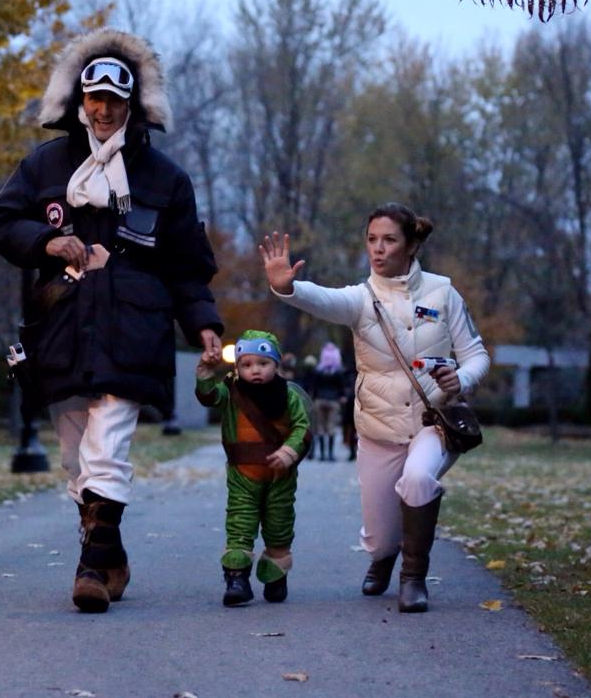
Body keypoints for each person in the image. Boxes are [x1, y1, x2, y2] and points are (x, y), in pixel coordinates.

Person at [0, 28, 223, 613]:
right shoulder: (44, 166)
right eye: (95, 98)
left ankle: (90, 568)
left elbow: (188, 267)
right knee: (75, 458)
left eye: (116, 100)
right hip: (60, 327)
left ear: (133, 104)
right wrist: (47, 242)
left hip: (133, 330)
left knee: (108, 446)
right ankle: (109, 553)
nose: (104, 109)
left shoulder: (166, 179)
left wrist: (204, 326)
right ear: (79, 100)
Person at [260, 202, 489, 613]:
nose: (377, 249)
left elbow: (476, 354)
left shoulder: (443, 292)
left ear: (412, 245)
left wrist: (463, 378)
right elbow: (323, 299)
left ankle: (413, 579)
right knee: (381, 537)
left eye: (389, 240)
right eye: (371, 240)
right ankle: (384, 558)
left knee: (419, 478)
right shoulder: (360, 300)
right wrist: (287, 287)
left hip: (431, 422)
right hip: (379, 428)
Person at [196, 330, 311, 607]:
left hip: (280, 476)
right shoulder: (231, 392)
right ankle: (237, 579)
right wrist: (205, 375)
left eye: (263, 363)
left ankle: (276, 574)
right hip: (242, 475)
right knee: (240, 523)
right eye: (246, 365)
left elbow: (302, 427)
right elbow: (210, 397)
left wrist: (289, 451)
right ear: (237, 368)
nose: (255, 371)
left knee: (279, 525)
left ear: (276, 364)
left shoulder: (288, 395)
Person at [311, 342, 347, 461]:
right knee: (331, 427)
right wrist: (342, 396)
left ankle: (322, 455)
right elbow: (342, 387)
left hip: (319, 400)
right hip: (333, 401)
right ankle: (330, 455)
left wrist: (314, 398)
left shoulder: (319, 370)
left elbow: (314, 387)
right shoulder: (338, 371)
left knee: (320, 427)